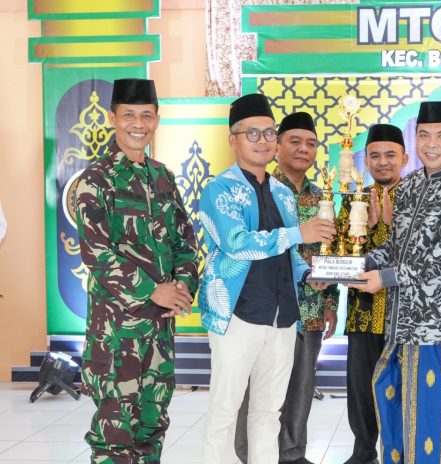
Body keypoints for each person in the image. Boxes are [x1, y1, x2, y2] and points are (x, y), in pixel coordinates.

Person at [350, 102, 441, 464]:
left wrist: (385, 278)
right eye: (424, 135)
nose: (431, 144)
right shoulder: (411, 185)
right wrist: (358, 264)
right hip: (402, 327)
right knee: (400, 425)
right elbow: (396, 247)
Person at [198, 94, 335, 464]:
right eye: (252, 133)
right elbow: (236, 243)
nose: (263, 141)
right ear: (233, 139)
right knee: (224, 412)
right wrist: (298, 233)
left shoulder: (282, 194)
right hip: (237, 315)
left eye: (269, 133)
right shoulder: (219, 189)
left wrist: (309, 274)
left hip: (283, 319)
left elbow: (288, 254)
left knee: (267, 414)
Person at [74, 78, 199, 463]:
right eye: (129, 115)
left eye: (147, 115)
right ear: (113, 118)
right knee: (115, 435)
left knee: (151, 427)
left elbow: (185, 241)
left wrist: (182, 287)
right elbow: (97, 253)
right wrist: (153, 290)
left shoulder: (163, 177)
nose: (138, 124)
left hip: (159, 331)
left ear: (157, 120)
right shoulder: (95, 180)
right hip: (117, 334)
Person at [233, 111, 339, 464]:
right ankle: (252, 454)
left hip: (309, 307)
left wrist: (331, 302)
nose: (303, 149)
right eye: (294, 141)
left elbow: (331, 252)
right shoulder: (260, 189)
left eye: (310, 143)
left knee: (301, 387)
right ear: (276, 146)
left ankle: (292, 455)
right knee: (258, 391)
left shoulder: (321, 198)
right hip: (265, 309)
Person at [341, 123, 408, 464]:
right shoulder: (353, 200)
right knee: (362, 391)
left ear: (404, 158)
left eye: (390, 155)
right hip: (363, 314)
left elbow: (420, 257)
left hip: (406, 318)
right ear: (365, 160)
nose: (383, 162)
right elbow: (340, 256)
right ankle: (363, 452)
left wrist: (394, 225)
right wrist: (364, 230)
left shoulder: (418, 198)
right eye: (375, 155)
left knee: (404, 392)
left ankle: (401, 454)